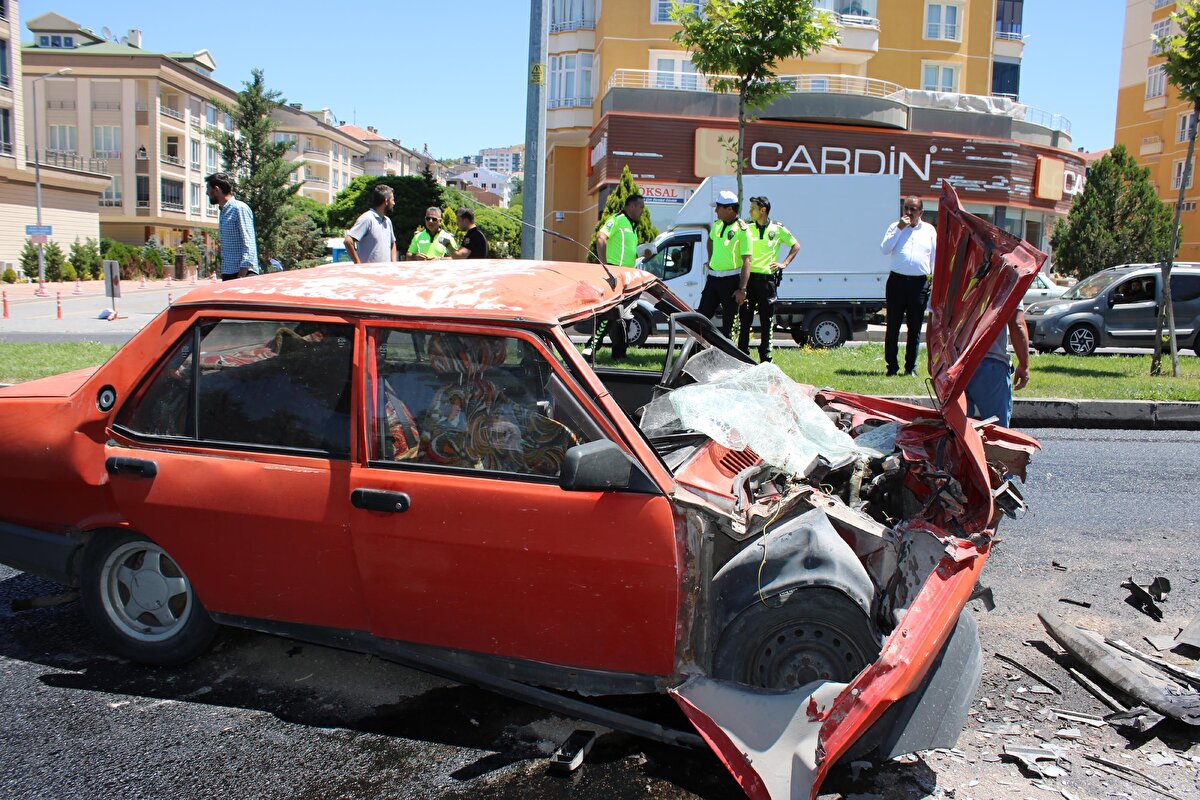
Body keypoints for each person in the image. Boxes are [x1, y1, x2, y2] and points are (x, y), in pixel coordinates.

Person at [879, 196, 936, 376]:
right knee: (893, 326)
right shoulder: (895, 227)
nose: (909, 213)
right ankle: (892, 367)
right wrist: (899, 228)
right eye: (906, 208)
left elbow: (934, 257)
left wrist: (934, 282)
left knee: (915, 327)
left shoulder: (929, 230)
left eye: (913, 209)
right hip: (897, 282)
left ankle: (910, 367)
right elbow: (884, 249)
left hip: (919, 284)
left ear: (921, 212)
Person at [585, 193, 645, 361]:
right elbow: (601, 238)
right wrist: (605, 267)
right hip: (614, 275)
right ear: (631, 206)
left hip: (627, 277)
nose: (642, 210)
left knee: (623, 317)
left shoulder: (633, 226)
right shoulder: (617, 219)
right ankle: (589, 350)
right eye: (641, 207)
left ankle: (619, 354)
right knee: (608, 316)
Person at [740, 195, 799, 362]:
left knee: (766, 321)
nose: (750, 211)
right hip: (749, 279)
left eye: (753, 208)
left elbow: (795, 245)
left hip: (767, 281)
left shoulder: (777, 229)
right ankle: (742, 354)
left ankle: (766, 357)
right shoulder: (748, 228)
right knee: (745, 319)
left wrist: (784, 263)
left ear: (763, 210)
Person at [697, 190, 752, 339]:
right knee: (701, 318)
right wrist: (711, 259)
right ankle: (697, 349)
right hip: (713, 279)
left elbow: (747, 261)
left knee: (729, 324)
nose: (715, 211)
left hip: (731, 282)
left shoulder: (742, 230)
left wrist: (742, 289)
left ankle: (728, 352)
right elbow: (710, 240)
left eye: (718, 207)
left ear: (729, 209)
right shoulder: (718, 224)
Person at [965, 307, 1030, 427]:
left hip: (954, 362)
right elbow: (1017, 324)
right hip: (991, 361)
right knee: (997, 430)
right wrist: (1024, 364)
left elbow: (935, 317)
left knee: (956, 430)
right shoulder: (1006, 291)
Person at [205, 172, 259, 281]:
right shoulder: (223, 211)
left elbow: (249, 245)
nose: (207, 193)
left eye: (208, 189)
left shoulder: (239, 208)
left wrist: (241, 276)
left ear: (217, 189)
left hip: (244, 274)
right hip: (229, 273)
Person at [345, 185, 397, 264]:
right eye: (392, 200)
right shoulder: (367, 219)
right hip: (368, 271)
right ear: (386, 201)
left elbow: (392, 243)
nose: (394, 203)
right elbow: (348, 241)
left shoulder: (387, 221)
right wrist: (358, 263)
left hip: (386, 270)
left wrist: (394, 263)